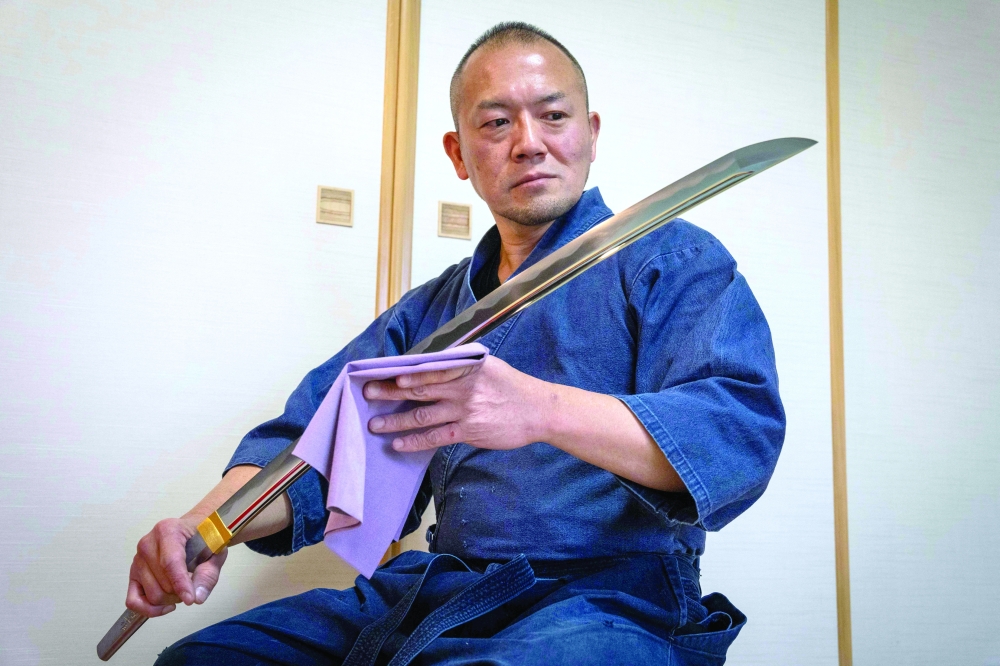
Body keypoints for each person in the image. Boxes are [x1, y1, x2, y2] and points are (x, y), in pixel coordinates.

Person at [129, 22, 784, 665]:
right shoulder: (430, 314)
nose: (529, 143)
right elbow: (311, 448)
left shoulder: (672, 260)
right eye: (496, 122)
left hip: (610, 599)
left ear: (591, 132)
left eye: (554, 116)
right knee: (209, 656)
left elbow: (737, 432)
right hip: (442, 586)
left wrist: (541, 410)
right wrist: (203, 528)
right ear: (458, 153)